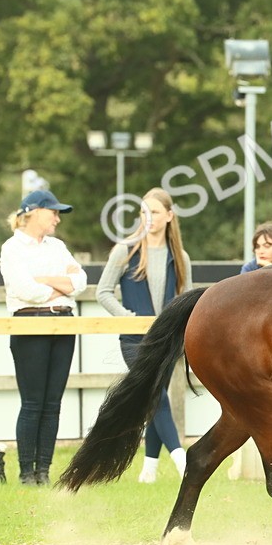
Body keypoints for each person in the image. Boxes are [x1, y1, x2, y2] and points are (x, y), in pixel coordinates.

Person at [96, 187, 194, 483]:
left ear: (169, 216)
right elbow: (103, 293)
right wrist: (129, 318)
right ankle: (181, 459)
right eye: (143, 212)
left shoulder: (180, 257)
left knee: (155, 397)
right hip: (133, 340)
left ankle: (149, 469)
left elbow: (187, 298)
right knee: (155, 394)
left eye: (154, 212)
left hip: (166, 341)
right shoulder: (124, 250)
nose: (147, 217)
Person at [0, 190, 87, 485]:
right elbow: (26, 290)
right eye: (53, 212)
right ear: (34, 212)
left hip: (63, 323)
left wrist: (46, 280)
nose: (57, 219)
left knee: (53, 403)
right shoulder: (12, 248)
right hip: (30, 324)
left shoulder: (57, 247)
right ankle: (27, 472)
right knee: (33, 402)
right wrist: (61, 285)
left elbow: (80, 282)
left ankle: (43, 471)